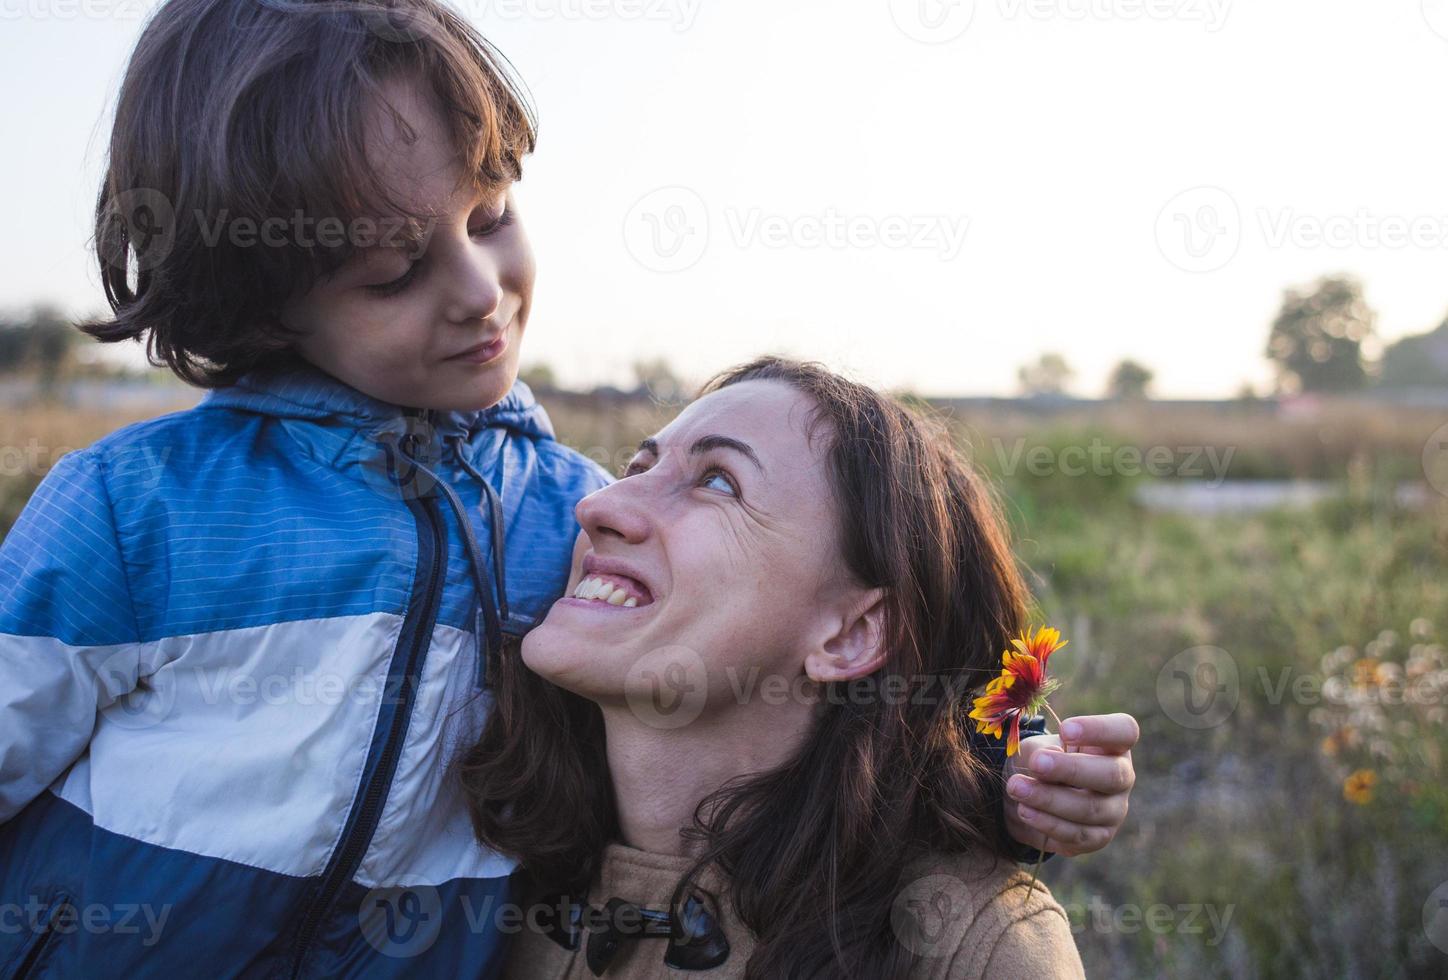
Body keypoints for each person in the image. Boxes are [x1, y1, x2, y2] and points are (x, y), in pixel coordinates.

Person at [0, 1, 1133, 976]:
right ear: (261, 297)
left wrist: (1007, 775)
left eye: (491, 216)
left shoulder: (562, 514)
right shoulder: (140, 506)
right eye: (395, 270)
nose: (480, 291)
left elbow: (827, 671)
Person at [464, 357, 1134, 978]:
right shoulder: (481, 863)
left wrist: (1011, 754)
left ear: (850, 635)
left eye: (718, 480)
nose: (599, 504)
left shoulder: (972, 947)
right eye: (638, 466)